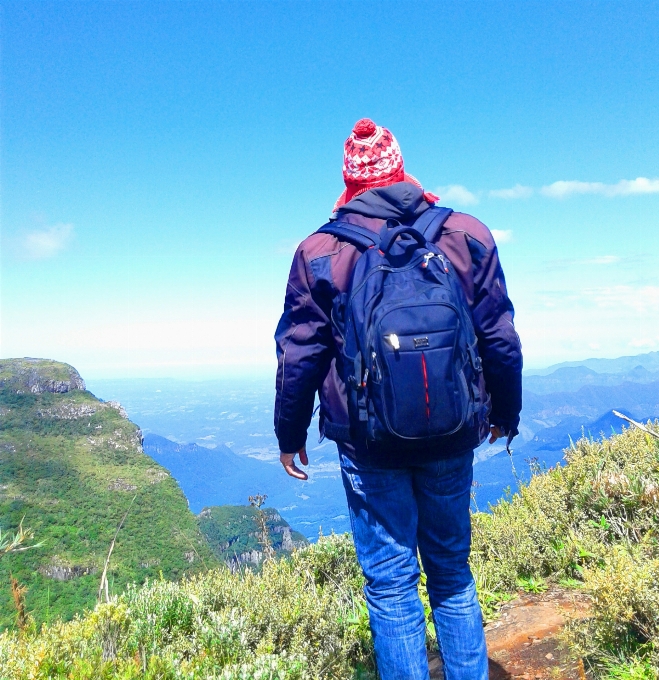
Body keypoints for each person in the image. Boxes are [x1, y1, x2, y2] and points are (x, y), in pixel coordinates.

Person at [274, 118, 522, 680]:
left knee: (390, 585)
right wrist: (504, 413)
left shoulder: (321, 251)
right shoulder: (467, 235)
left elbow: (300, 353)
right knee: (452, 571)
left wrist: (290, 435)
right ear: (400, 168)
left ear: (350, 178)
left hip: (369, 441)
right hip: (454, 430)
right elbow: (500, 336)